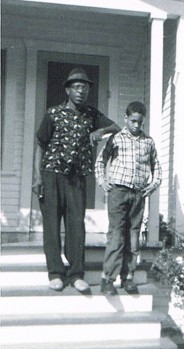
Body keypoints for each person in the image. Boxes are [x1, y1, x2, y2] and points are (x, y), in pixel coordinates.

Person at [32, 68, 120, 292]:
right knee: (52, 224)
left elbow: (115, 127)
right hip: (51, 175)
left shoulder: (91, 115)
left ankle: (76, 273)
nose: (82, 91)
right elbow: (40, 145)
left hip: (77, 177)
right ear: (68, 90)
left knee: (76, 226)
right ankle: (55, 273)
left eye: (86, 87)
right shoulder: (53, 114)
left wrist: (100, 133)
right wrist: (37, 177)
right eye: (77, 87)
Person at [95, 101, 161, 295]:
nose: (136, 126)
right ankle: (107, 279)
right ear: (126, 119)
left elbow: (156, 166)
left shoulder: (148, 141)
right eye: (133, 121)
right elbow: (101, 161)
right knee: (116, 235)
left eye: (140, 122)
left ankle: (128, 277)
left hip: (138, 194)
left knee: (133, 236)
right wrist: (102, 180)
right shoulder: (116, 138)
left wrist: (153, 185)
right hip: (118, 192)